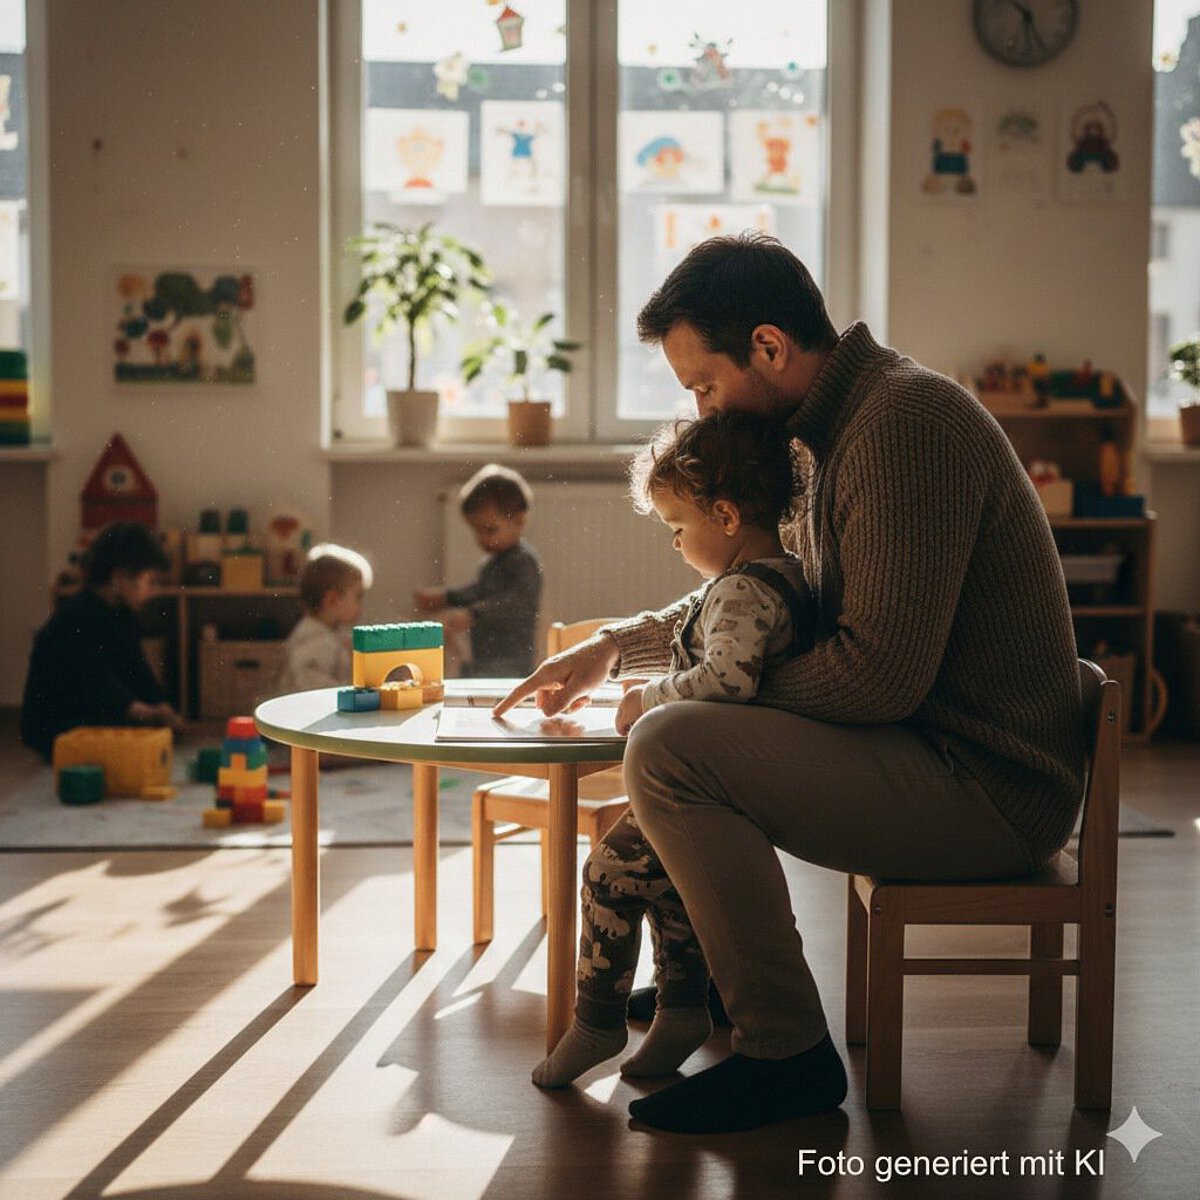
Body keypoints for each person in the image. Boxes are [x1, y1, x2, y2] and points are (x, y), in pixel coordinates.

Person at [496, 231, 1084, 1134]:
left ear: (769, 347)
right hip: (928, 750)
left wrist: (701, 691)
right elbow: (771, 602)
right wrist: (622, 646)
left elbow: (876, 676)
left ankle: (786, 1056)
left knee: (672, 748)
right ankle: (728, 989)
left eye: (703, 384)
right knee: (686, 735)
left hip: (988, 787)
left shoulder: (903, 426)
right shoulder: (829, 434)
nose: (702, 408)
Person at [532, 410, 813, 1090]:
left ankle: (597, 1022)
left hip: (713, 782)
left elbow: (728, 680)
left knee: (606, 877)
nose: (676, 544)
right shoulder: (787, 576)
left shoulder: (746, 591)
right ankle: (681, 1011)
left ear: (724, 515)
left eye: (678, 527)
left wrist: (646, 698)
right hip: (730, 781)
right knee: (672, 887)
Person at [21, 521, 182, 760]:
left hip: (93, 711)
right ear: (120, 577)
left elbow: (137, 668)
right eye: (151, 581)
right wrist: (139, 710)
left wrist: (160, 703)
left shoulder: (122, 613)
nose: (154, 591)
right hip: (57, 724)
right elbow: (93, 677)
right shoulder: (77, 616)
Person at [415, 464, 542, 677]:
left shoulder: (524, 562)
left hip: (511, 660)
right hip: (485, 655)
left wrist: (472, 614)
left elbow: (513, 603)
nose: (482, 539)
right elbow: (478, 591)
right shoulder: (492, 562)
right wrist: (447, 598)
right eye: (476, 531)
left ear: (519, 520)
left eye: (490, 530)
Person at [276, 543, 373, 693]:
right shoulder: (317, 637)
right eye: (358, 596)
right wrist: (345, 691)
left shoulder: (330, 631)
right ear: (332, 600)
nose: (361, 605)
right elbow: (306, 677)